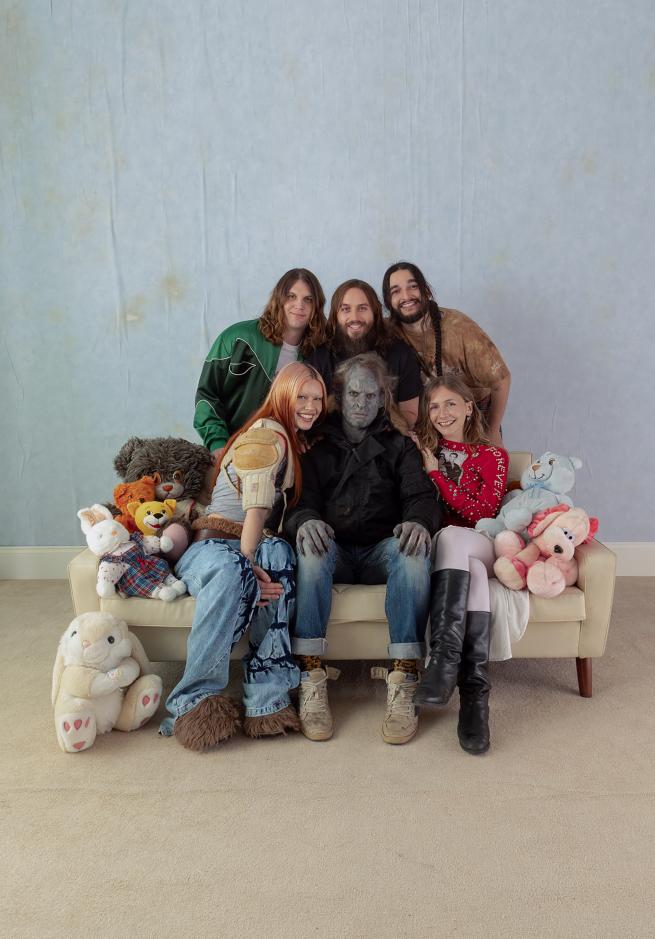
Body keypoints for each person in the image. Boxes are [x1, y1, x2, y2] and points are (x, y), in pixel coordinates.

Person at [160, 362, 327, 751]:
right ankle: (193, 701)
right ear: (282, 395)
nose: (311, 406)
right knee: (236, 568)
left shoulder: (289, 438)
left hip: (250, 544)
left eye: (317, 399)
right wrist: (248, 565)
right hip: (213, 546)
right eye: (302, 397)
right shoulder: (267, 434)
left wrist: (256, 561)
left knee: (280, 554)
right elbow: (255, 507)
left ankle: (267, 700)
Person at [284, 353, 441, 745]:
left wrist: (418, 521)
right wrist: (306, 520)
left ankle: (405, 674)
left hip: (379, 550)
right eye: (354, 393)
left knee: (413, 552)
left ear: (382, 398)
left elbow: (421, 496)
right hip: (333, 549)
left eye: (371, 396)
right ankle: (310, 672)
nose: (361, 403)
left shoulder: (399, 445)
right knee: (310, 548)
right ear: (340, 394)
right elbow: (298, 502)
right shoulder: (317, 444)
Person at [410, 374, 509, 755]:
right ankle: (475, 700)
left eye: (450, 403)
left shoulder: (493, 455)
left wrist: (436, 473)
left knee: (456, 539)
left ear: (469, 407)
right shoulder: (422, 449)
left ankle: (443, 663)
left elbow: (481, 513)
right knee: (474, 574)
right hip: (449, 554)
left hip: (482, 540)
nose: (442, 413)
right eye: (433, 406)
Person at [194, 268, 326, 462]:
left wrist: (302, 435)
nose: (299, 305)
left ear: (316, 306)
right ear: (279, 299)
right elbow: (207, 395)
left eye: (308, 299)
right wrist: (218, 443)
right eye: (291, 296)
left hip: (279, 456)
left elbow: (311, 407)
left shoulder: (316, 354)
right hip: (230, 452)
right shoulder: (238, 338)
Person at [381, 262, 511, 447]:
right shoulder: (386, 333)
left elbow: (501, 380)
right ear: (388, 301)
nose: (406, 296)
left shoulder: (459, 328)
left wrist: (492, 430)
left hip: (471, 419)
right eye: (396, 291)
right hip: (423, 423)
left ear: (426, 291)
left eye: (413, 286)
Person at [307, 278, 422, 427]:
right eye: (346, 309)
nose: (354, 318)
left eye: (362, 308)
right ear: (335, 315)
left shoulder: (401, 354)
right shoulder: (319, 357)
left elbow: (409, 416)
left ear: (375, 312)